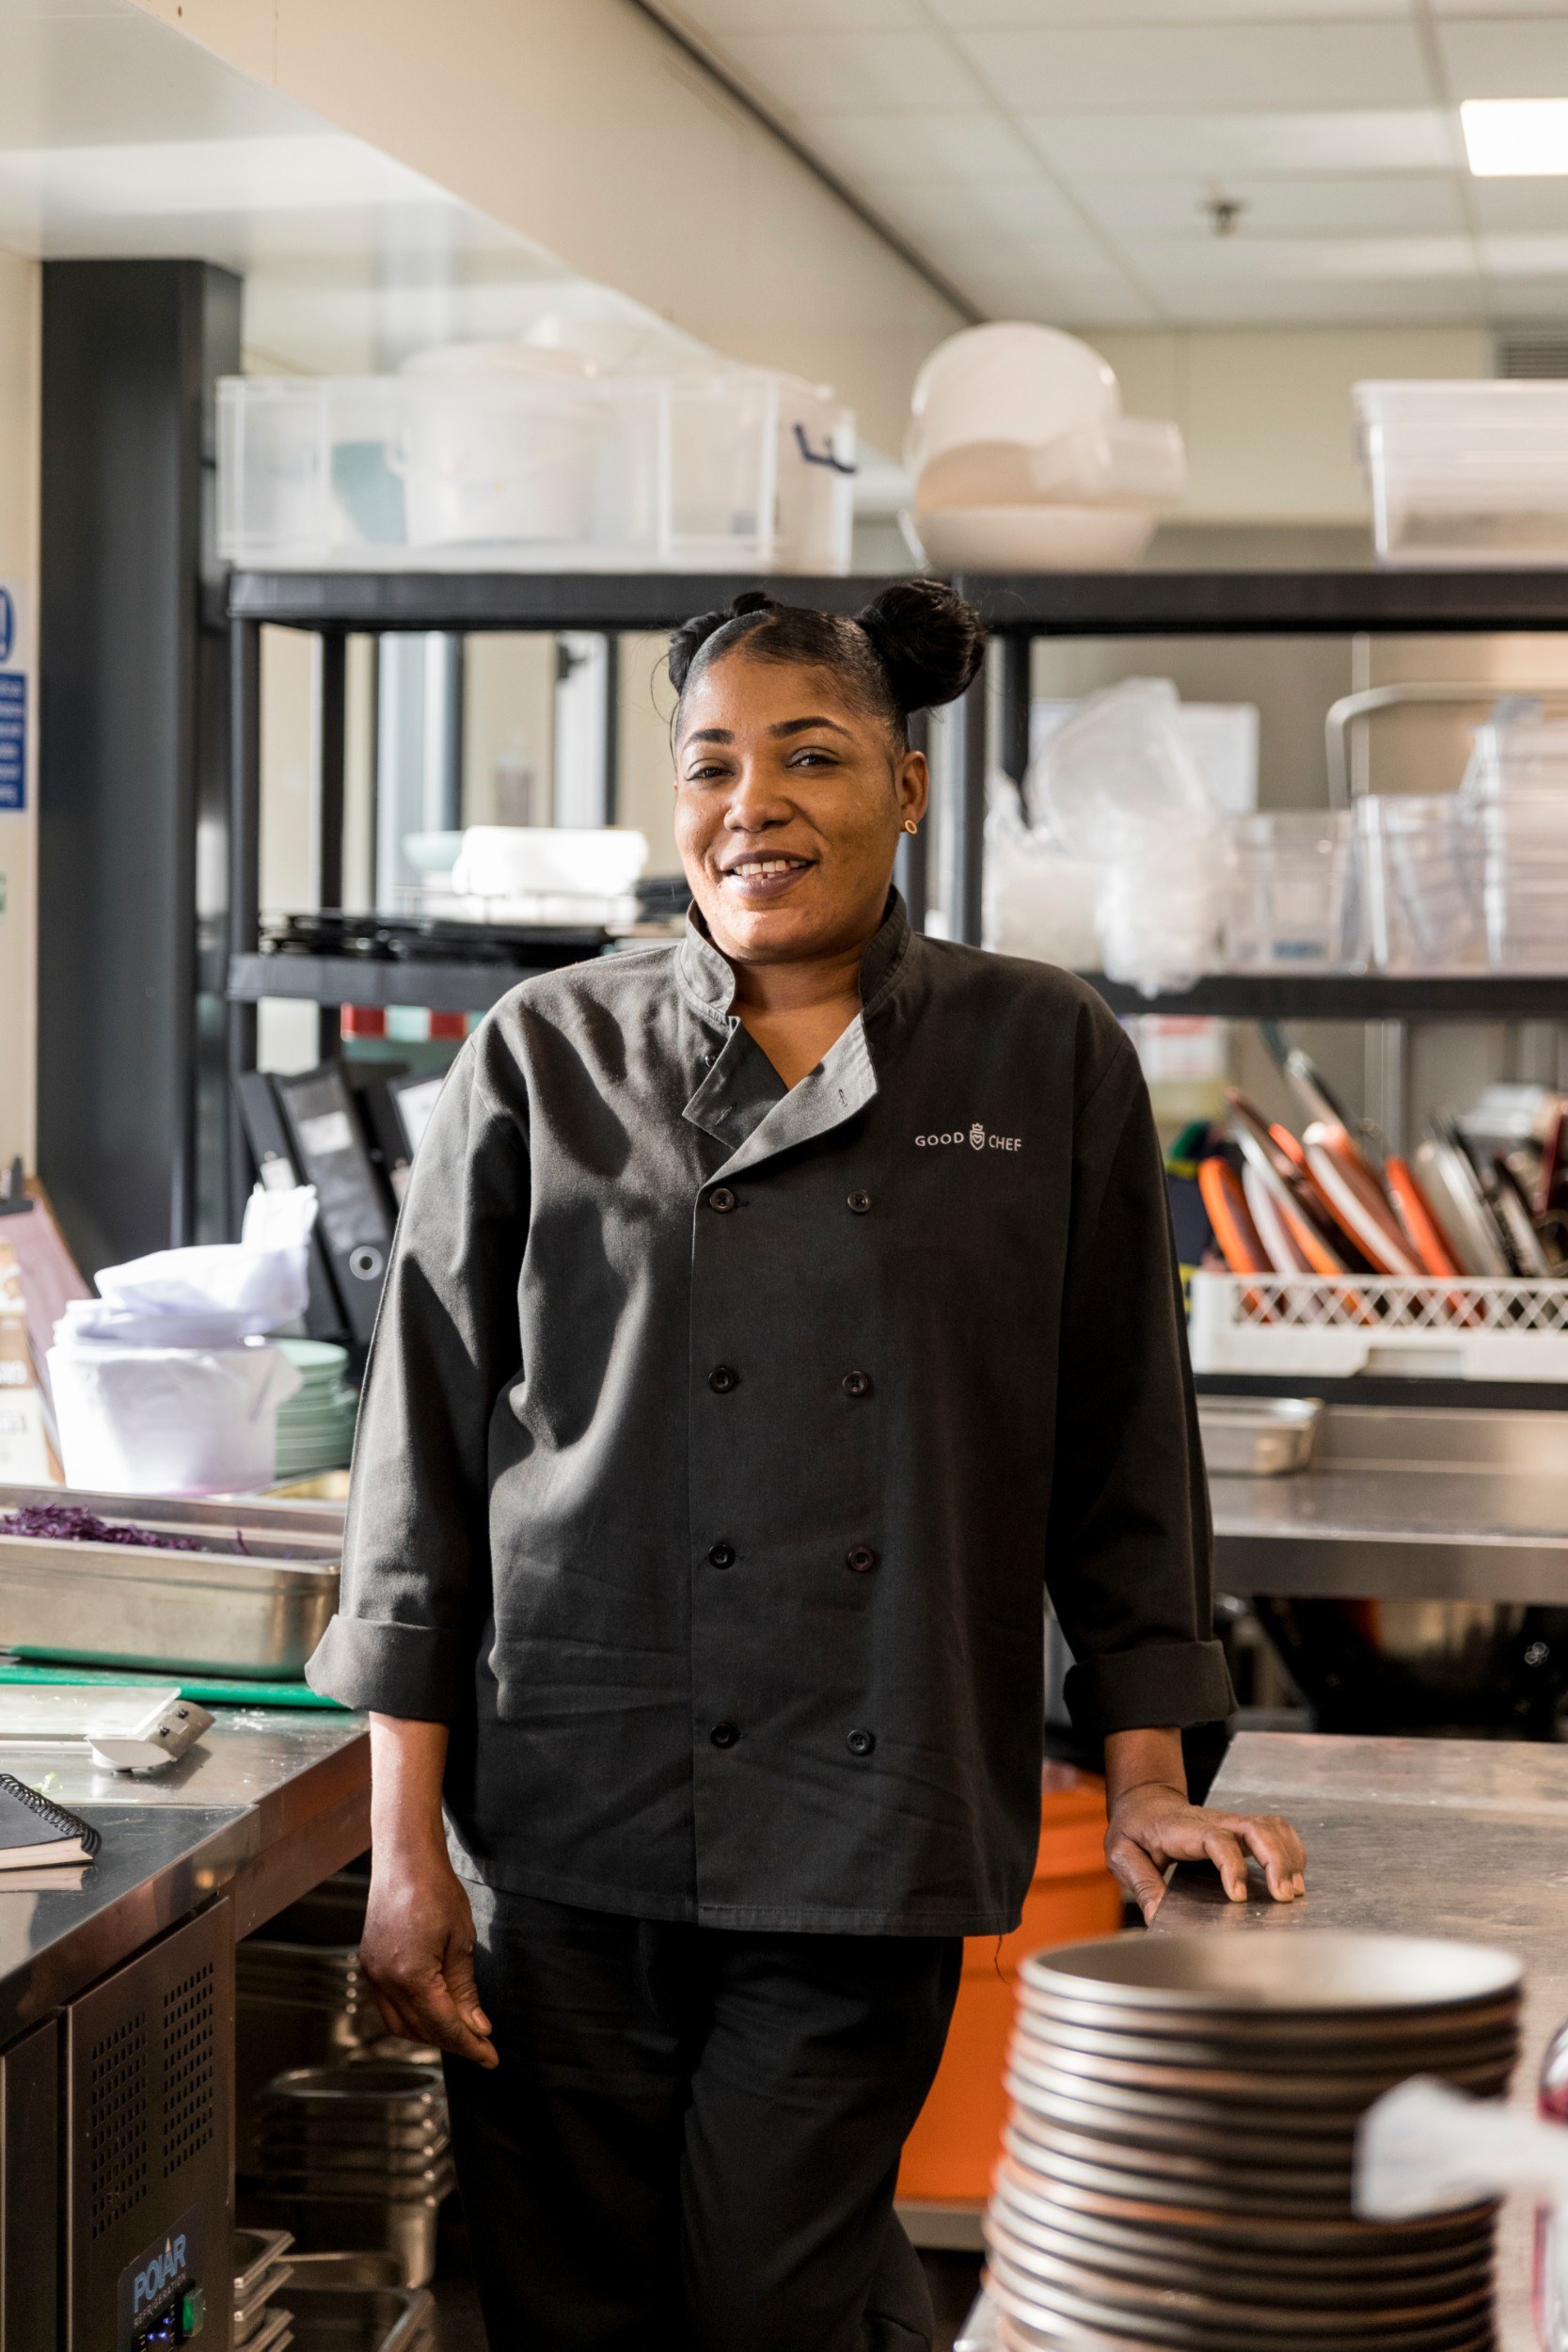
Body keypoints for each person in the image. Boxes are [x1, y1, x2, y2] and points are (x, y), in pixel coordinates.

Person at [307, 580, 1307, 2352]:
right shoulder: (549, 1053)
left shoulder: (1043, 1049)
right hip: (575, 1802)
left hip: (873, 1806)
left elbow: (1120, 1457)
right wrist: (404, 1852)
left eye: (810, 757)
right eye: (709, 765)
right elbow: (423, 1480)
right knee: (569, 2310)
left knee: (771, 2292)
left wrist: (1146, 1780)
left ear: (906, 790)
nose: (750, 805)